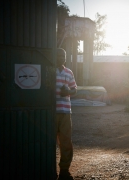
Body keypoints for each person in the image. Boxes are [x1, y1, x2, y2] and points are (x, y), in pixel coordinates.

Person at [56, 48, 77, 180]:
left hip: (65, 112)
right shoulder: (49, 71)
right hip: (50, 112)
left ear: (65, 57)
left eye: (63, 56)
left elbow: (75, 89)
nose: (60, 57)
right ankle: (48, 169)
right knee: (48, 142)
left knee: (66, 141)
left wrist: (68, 91)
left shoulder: (69, 72)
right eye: (58, 55)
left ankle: (64, 170)